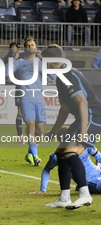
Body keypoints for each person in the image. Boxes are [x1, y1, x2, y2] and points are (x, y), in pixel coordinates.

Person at [41, 44, 101, 209]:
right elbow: (65, 108)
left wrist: (83, 131)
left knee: (70, 151)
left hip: (93, 115)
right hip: (85, 115)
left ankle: (85, 195)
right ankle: (64, 198)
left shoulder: (67, 75)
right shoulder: (62, 76)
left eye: (45, 61)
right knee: (61, 152)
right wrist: (53, 131)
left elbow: (83, 101)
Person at [5, 39, 54, 166]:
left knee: (40, 130)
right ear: (25, 49)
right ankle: (36, 156)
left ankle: (30, 153)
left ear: (36, 47)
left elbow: (53, 76)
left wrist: (45, 63)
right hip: (26, 99)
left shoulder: (40, 63)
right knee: (31, 127)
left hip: (39, 100)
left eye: (32, 45)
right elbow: (6, 71)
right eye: (28, 45)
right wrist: (14, 59)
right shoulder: (20, 62)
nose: (30, 47)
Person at [30, 144, 101, 194]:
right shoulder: (56, 156)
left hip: (98, 171)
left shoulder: (84, 145)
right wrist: (43, 189)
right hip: (91, 181)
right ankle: (81, 185)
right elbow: (46, 169)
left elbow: (99, 157)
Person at [4, 43, 24, 141]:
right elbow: (8, 75)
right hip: (20, 87)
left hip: (31, 89)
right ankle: (20, 136)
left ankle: (32, 135)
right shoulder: (13, 60)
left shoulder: (30, 59)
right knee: (20, 111)